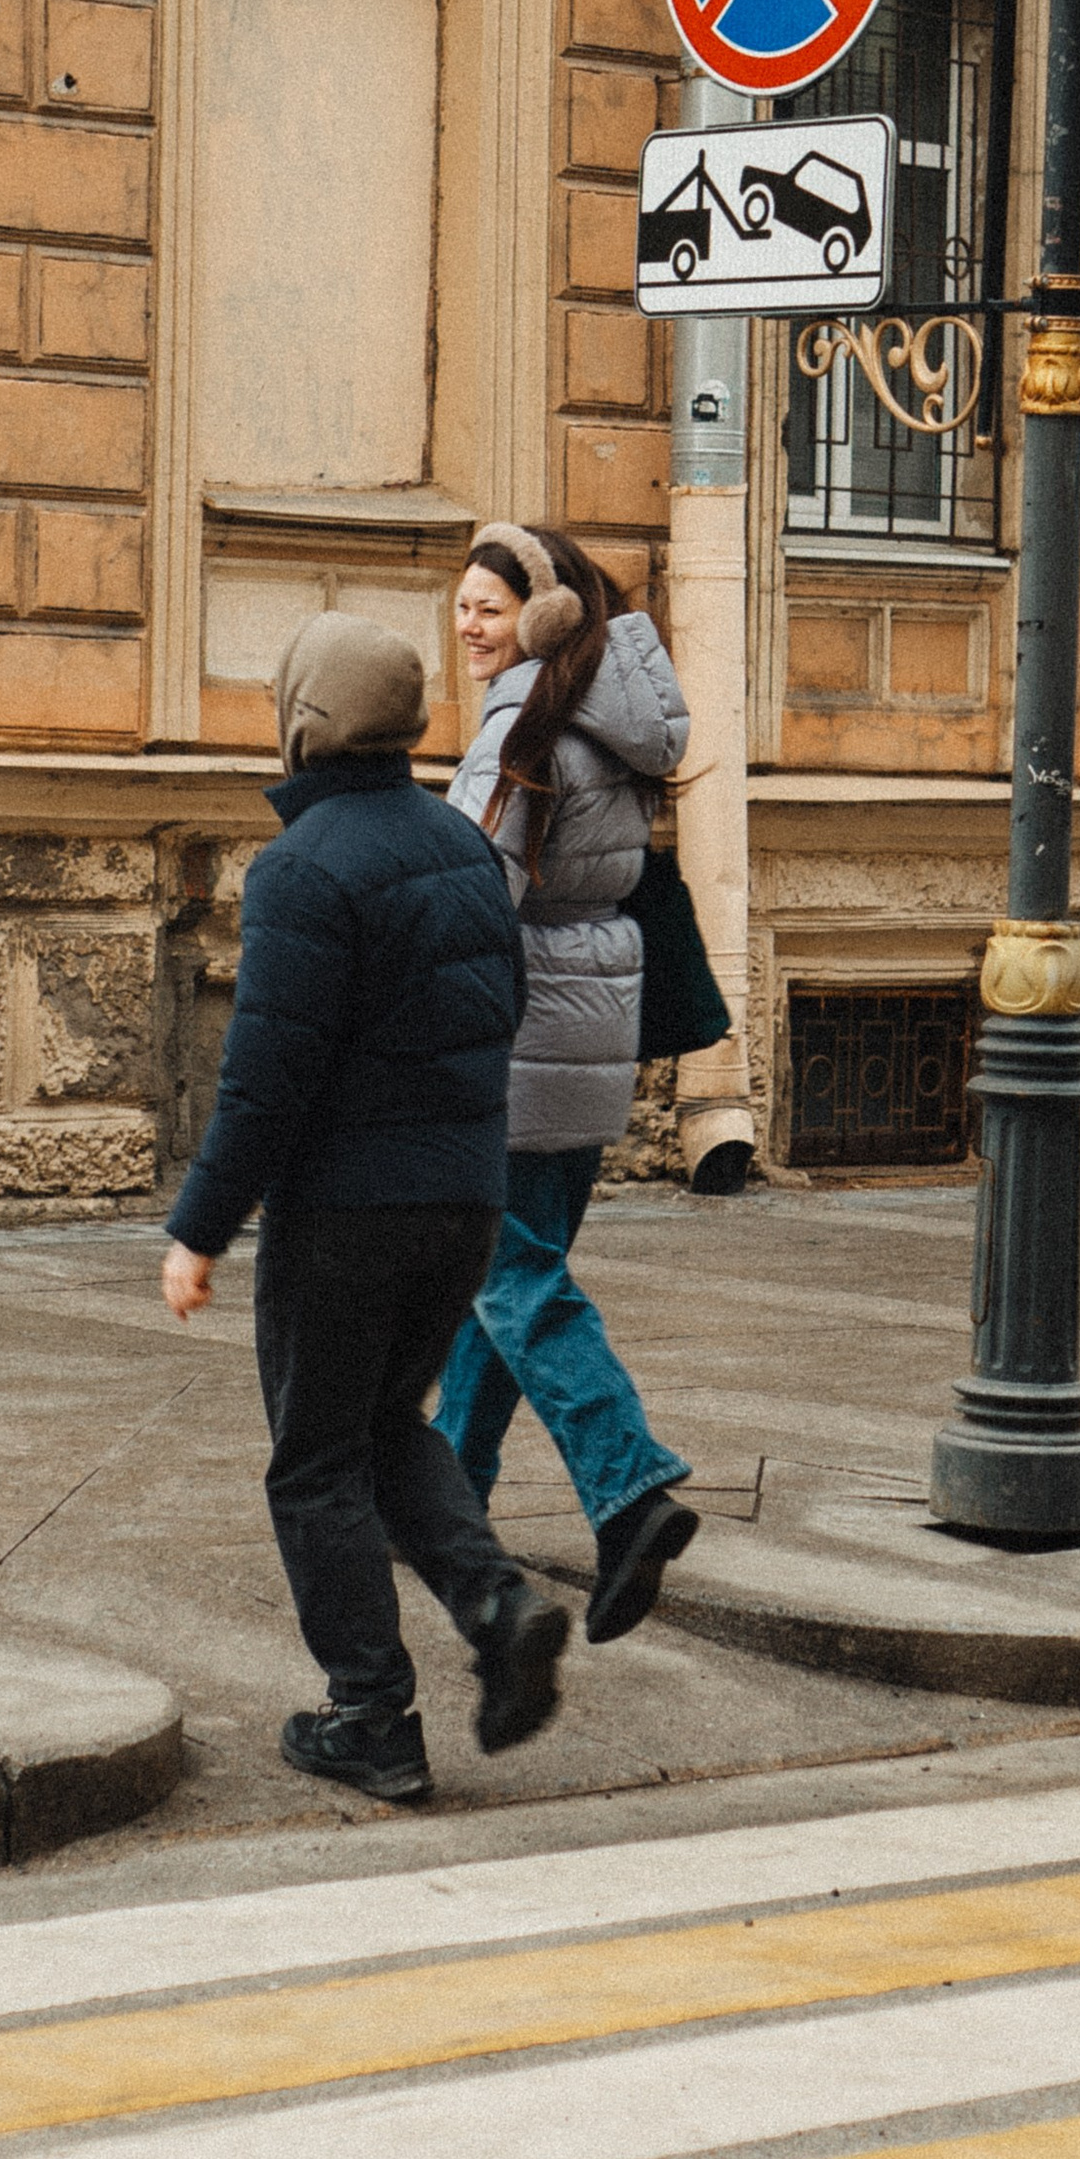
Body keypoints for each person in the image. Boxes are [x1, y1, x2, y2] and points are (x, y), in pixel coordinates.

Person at [161, 610, 573, 1808]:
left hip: (348, 1213)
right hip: (462, 1200)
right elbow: (502, 1012)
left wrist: (199, 1227)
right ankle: (496, 1603)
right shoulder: (458, 847)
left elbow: (265, 1077)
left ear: (302, 719)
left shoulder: (302, 868)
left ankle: (370, 1716)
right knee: (389, 1424)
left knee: (313, 1463)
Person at [433, 521, 702, 1644]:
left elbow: (466, 893)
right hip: (590, 1022)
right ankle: (445, 1496)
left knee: (508, 1277)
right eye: (458, 607)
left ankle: (626, 1483)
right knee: (503, 1276)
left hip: (518, 1029)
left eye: (487, 607)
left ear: (543, 613)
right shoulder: (614, 719)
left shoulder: (528, 720)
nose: (466, 627)